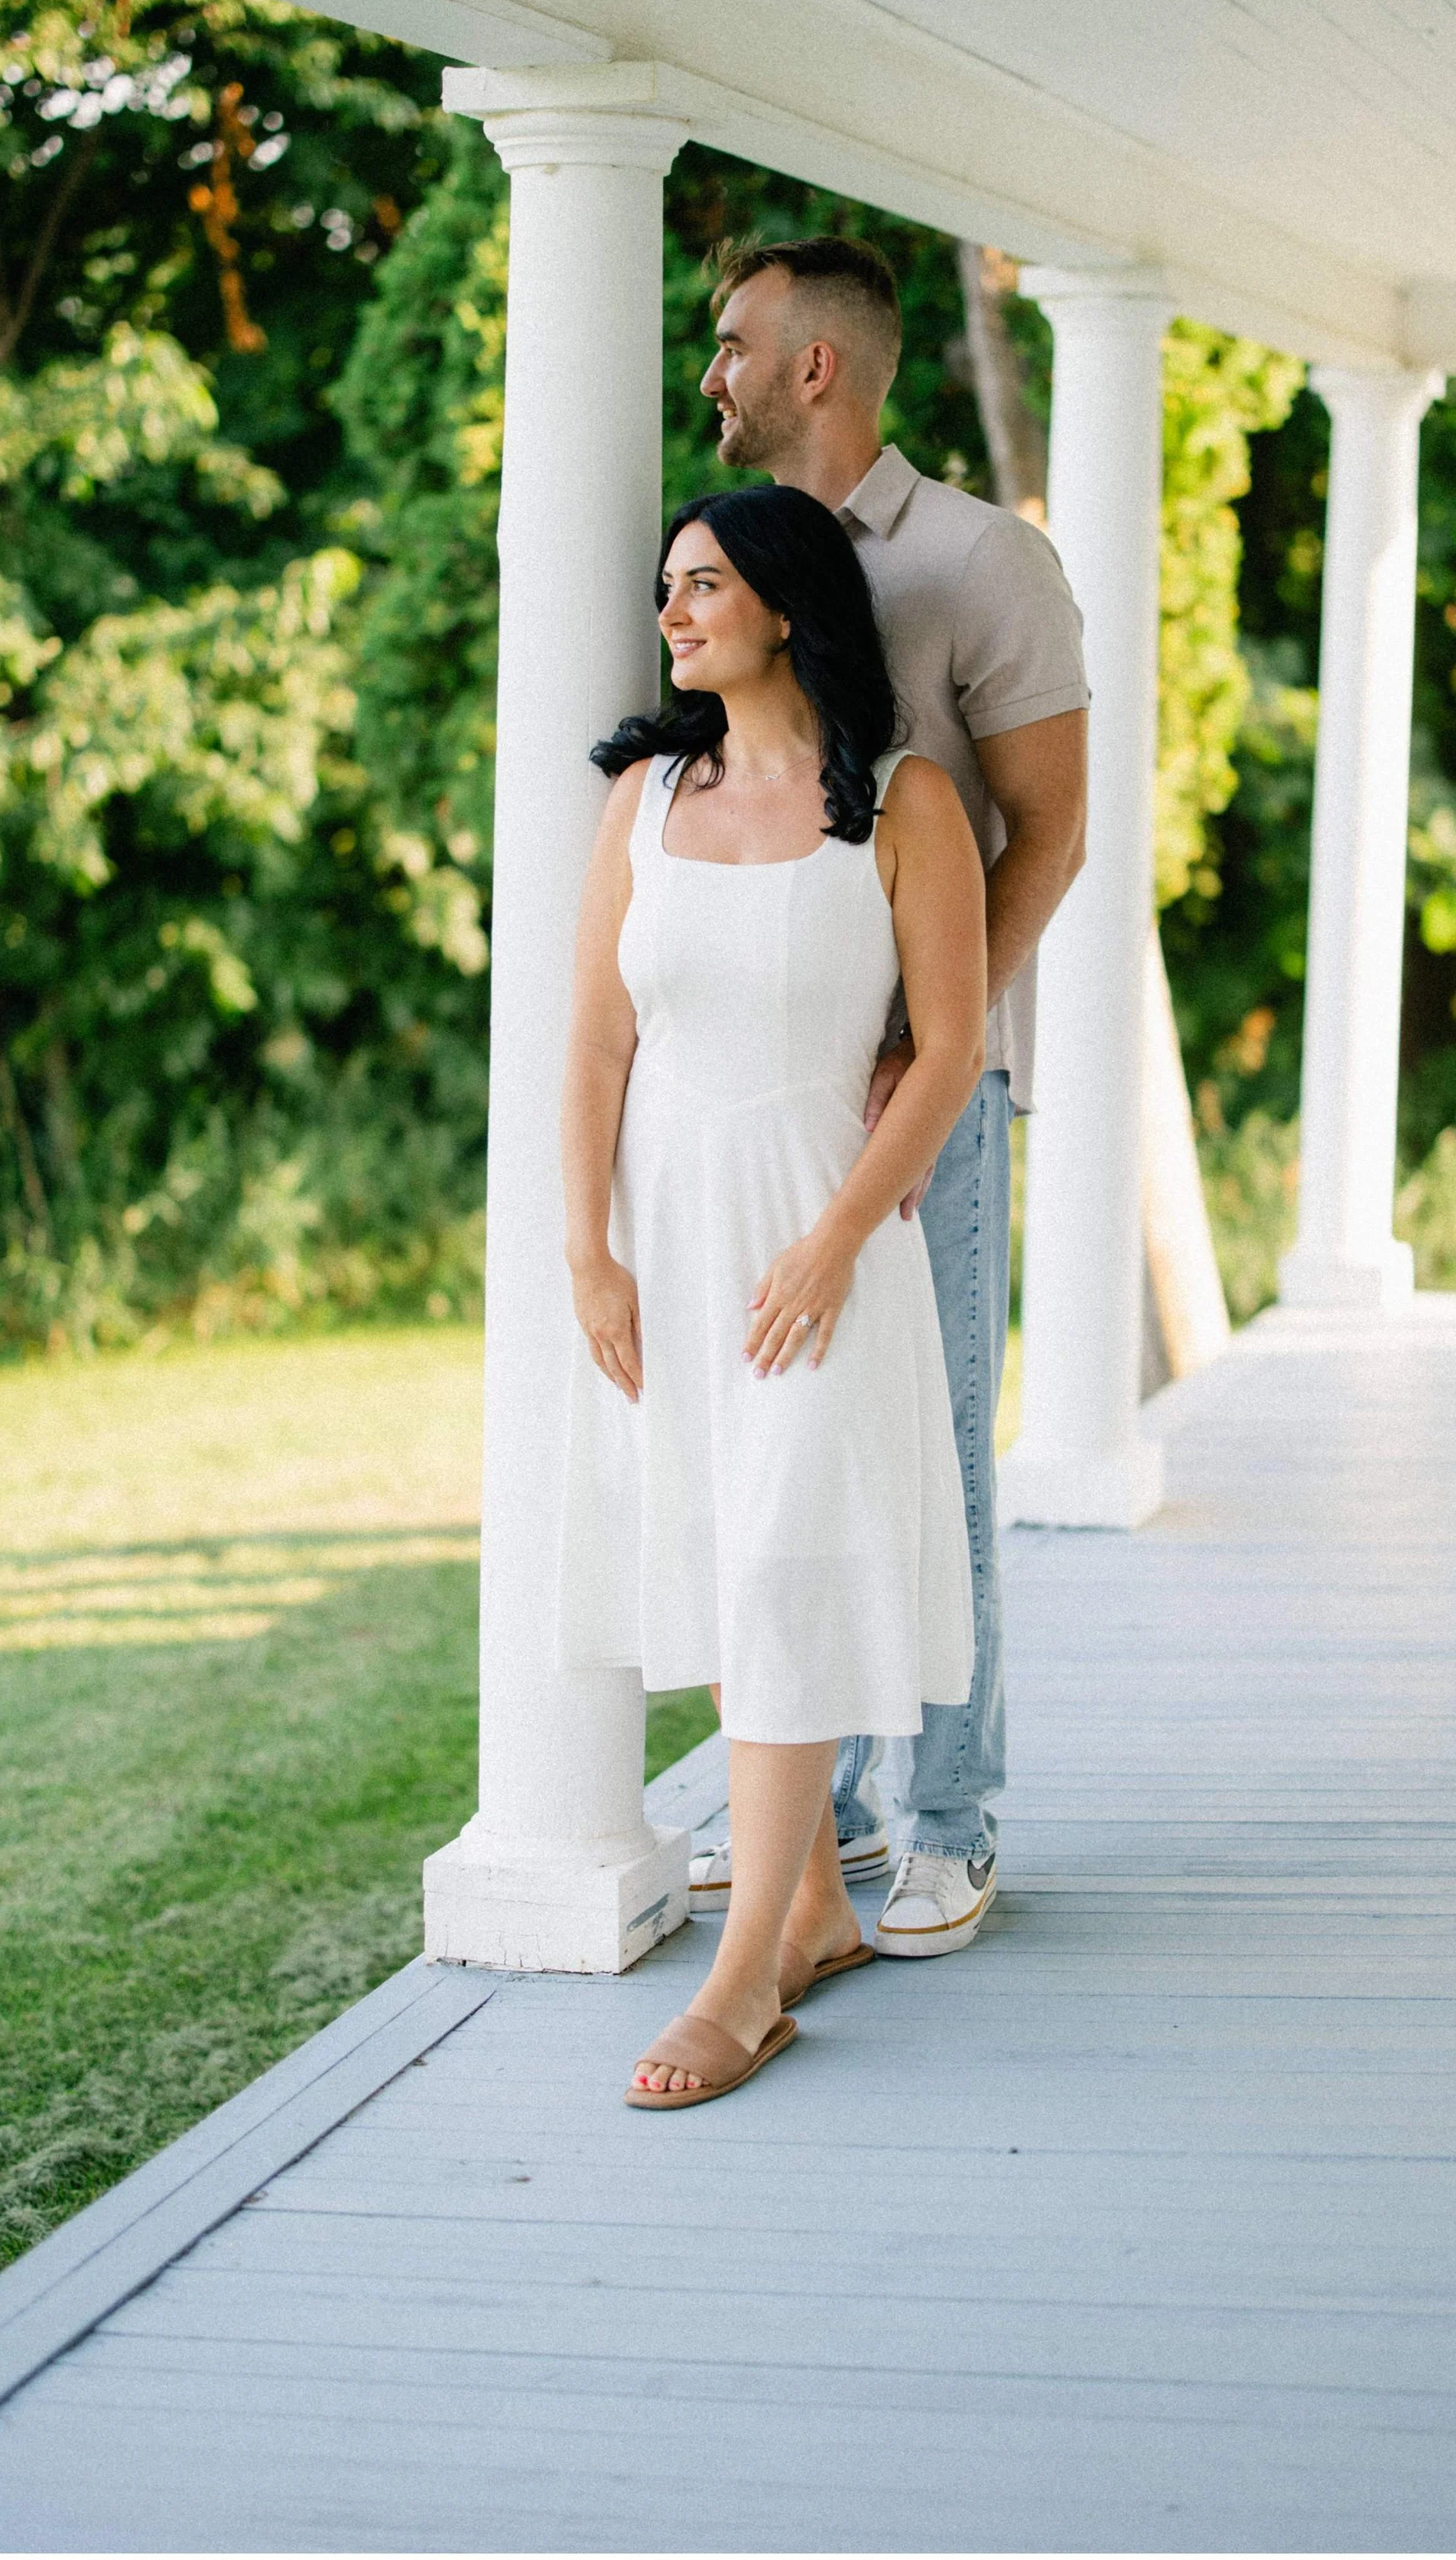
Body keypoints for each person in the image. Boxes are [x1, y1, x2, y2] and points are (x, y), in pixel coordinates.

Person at [557, 483, 988, 2106]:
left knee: (791, 1559)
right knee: (728, 1552)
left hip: (820, 1245)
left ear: (788, 605)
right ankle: (811, 1907)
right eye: (666, 587)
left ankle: (743, 1984)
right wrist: (586, 1251)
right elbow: (594, 1039)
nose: (671, 613)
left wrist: (834, 1239)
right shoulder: (643, 801)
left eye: (704, 584)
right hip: (665, 1235)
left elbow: (948, 1049)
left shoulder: (903, 804)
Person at [690, 235, 1090, 1958]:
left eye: (733, 344)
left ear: (817, 367)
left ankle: (945, 1813)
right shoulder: (739, 559)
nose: (711, 371)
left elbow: (1049, 831)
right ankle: (829, 1806)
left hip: (931, 1090)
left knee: (932, 1450)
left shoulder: (982, 561)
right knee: (796, 1448)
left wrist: (930, 1037)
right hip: (765, 1095)